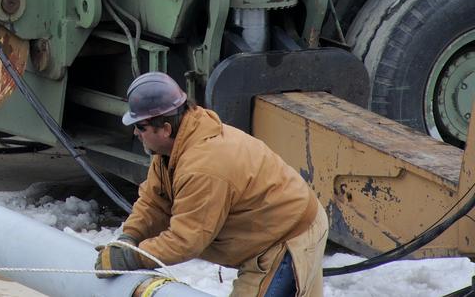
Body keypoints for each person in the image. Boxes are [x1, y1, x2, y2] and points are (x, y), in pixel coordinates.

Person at [96, 72, 328, 296]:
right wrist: (129, 238)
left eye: (141, 126)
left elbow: (186, 240)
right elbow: (154, 201)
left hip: (287, 237)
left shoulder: (202, 167)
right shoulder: (172, 148)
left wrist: (132, 257)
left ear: (165, 129)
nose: (135, 132)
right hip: (266, 232)